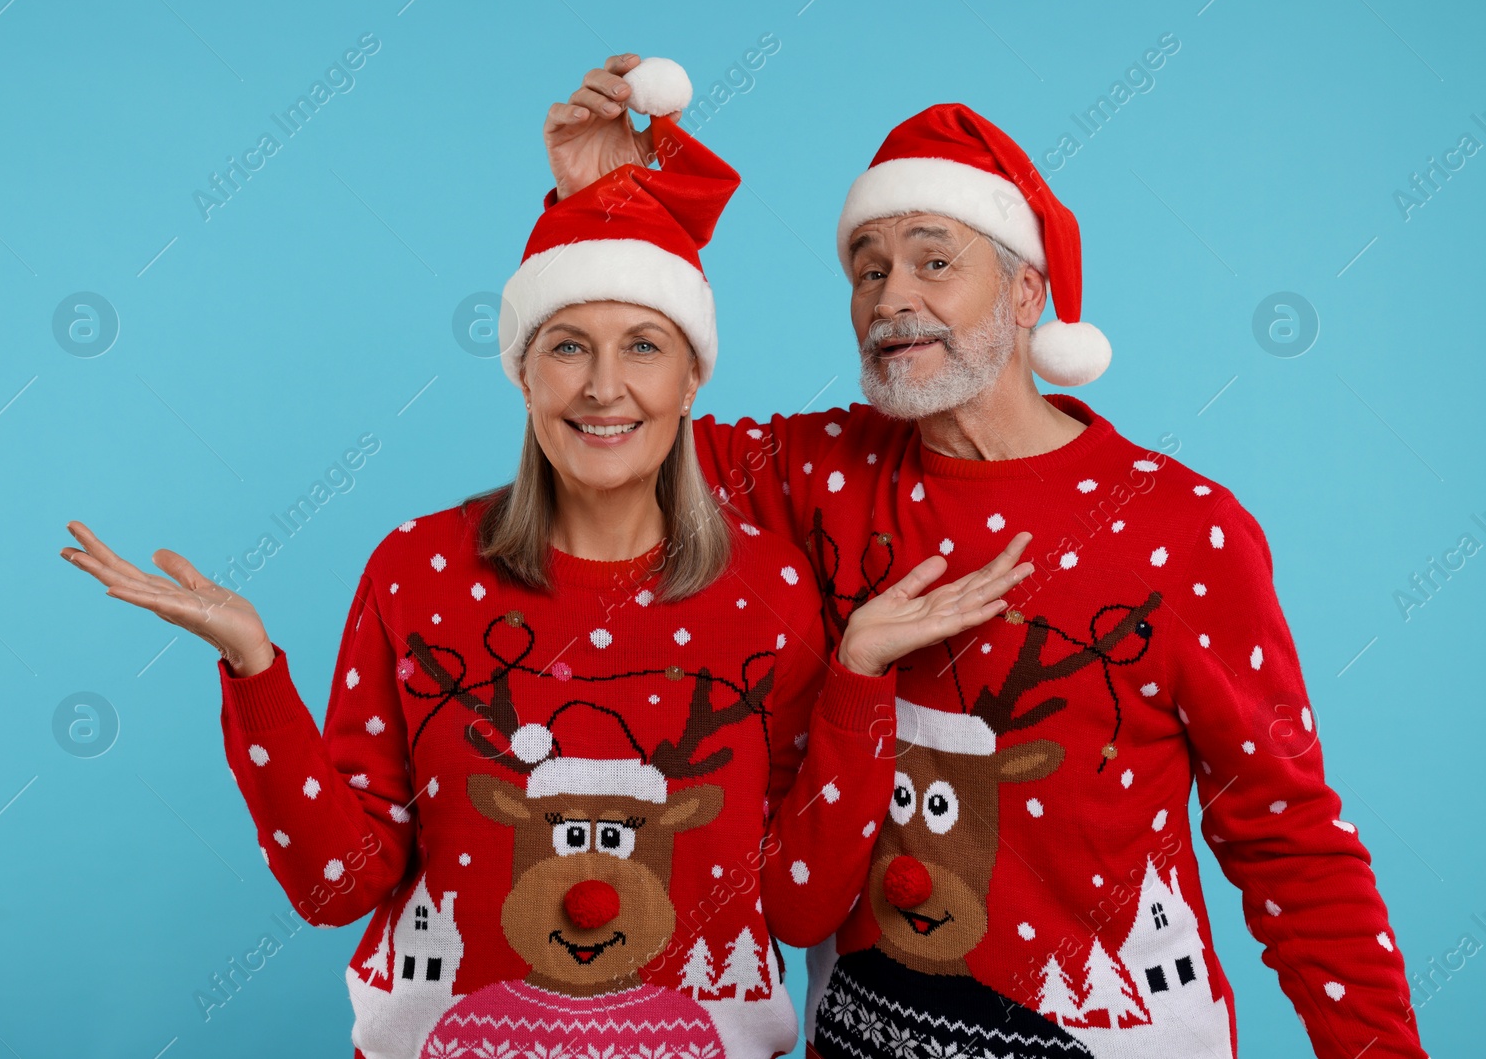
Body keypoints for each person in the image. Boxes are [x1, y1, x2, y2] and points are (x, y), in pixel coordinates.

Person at [60, 61, 1037, 1059]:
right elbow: (337, 885)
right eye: (567, 345)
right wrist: (255, 667)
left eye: (644, 346)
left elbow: (798, 902)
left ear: (694, 377)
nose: (604, 387)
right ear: (522, 370)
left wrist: (858, 682)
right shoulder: (413, 570)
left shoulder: (771, 592)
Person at [543, 57, 1426, 1059]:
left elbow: (1287, 840)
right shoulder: (818, 471)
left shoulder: (1183, 526)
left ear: (1025, 292)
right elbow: (607, 442)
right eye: (866, 268)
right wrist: (610, 215)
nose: (887, 296)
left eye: (931, 260)